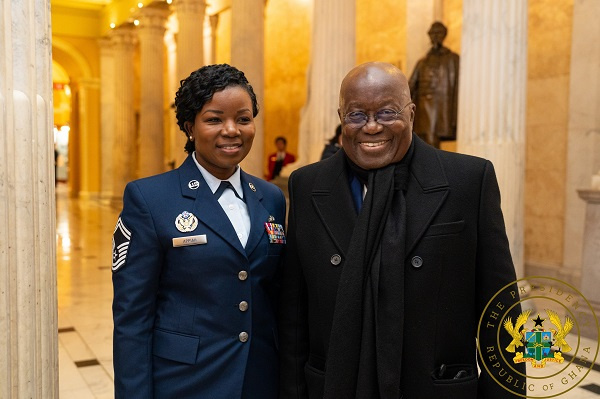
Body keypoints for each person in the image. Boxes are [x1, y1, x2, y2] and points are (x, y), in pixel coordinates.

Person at [279, 62, 523, 398]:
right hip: (334, 385)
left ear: (411, 113)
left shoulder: (468, 180)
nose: (372, 126)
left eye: (387, 112)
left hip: (436, 387)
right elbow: (295, 313)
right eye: (356, 115)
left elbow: (502, 311)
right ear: (341, 118)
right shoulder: (308, 185)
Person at [112, 64, 286, 399]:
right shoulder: (150, 199)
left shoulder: (271, 198)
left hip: (259, 378)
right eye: (215, 119)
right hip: (186, 381)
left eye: (244, 118)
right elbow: (132, 319)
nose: (232, 130)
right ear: (190, 127)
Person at [409, 21, 459, 148]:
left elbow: (458, 87)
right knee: (424, 142)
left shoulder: (452, 59)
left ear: (444, 35)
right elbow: (410, 86)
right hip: (422, 109)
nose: (435, 36)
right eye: (433, 33)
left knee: (432, 142)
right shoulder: (422, 62)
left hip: (441, 107)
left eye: (439, 33)